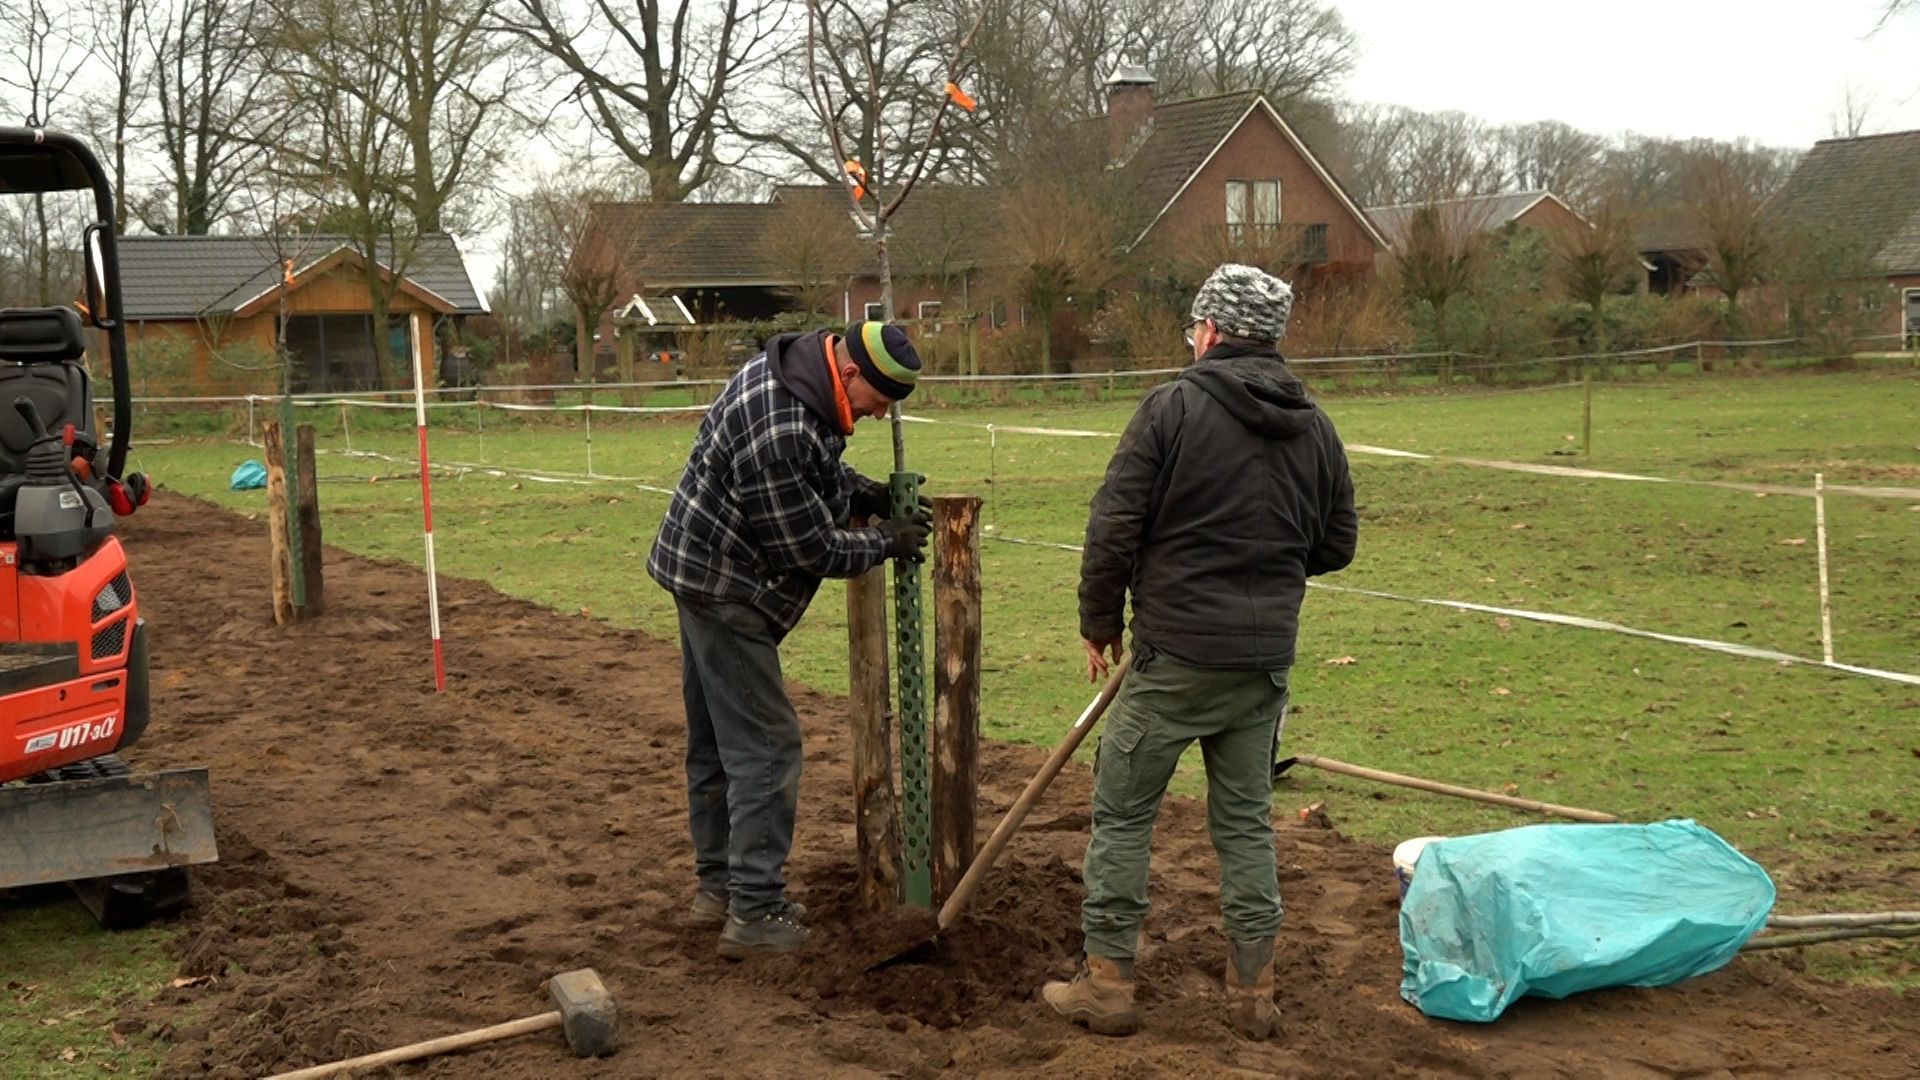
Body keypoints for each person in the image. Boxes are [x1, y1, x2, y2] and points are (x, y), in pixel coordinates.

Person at [1042, 264, 1358, 1038]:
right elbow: (1337, 543)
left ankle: (1109, 986)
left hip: (1173, 658)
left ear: (1211, 331)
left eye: (1195, 329)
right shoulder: (1315, 425)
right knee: (1246, 825)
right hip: (1261, 667)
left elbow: (1112, 524)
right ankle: (1253, 994)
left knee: (1121, 816)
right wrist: (1270, 572)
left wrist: (1099, 622)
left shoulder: (1172, 408)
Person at [647, 321, 932, 959]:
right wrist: (886, 540)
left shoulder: (806, 379)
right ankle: (755, 911)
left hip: (697, 571)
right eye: (882, 397)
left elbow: (818, 472)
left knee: (718, 744)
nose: (884, 413)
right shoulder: (780, 421)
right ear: (852, 373)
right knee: (767, 749)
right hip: (725, 588)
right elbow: (806, 546)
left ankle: (719, 890)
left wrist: (868, 493)